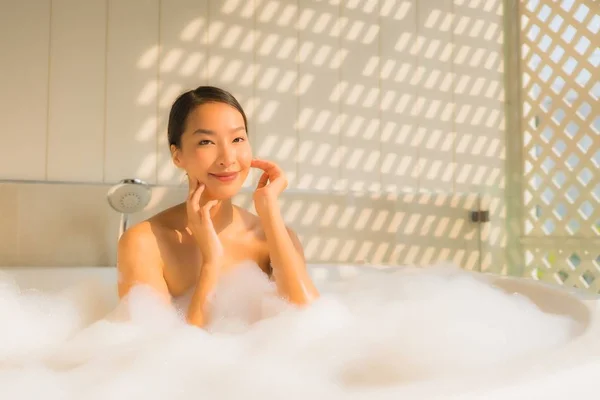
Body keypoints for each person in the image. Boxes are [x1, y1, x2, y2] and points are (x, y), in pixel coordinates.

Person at [116, 86, 320, 328]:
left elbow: (311, 324)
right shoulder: (144, 243)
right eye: (206, 141)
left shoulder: (273, 236)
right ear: (177, 155)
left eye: (237, 139)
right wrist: (211, 261)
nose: (227, 158)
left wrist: (269, 210)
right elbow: (165, 356)